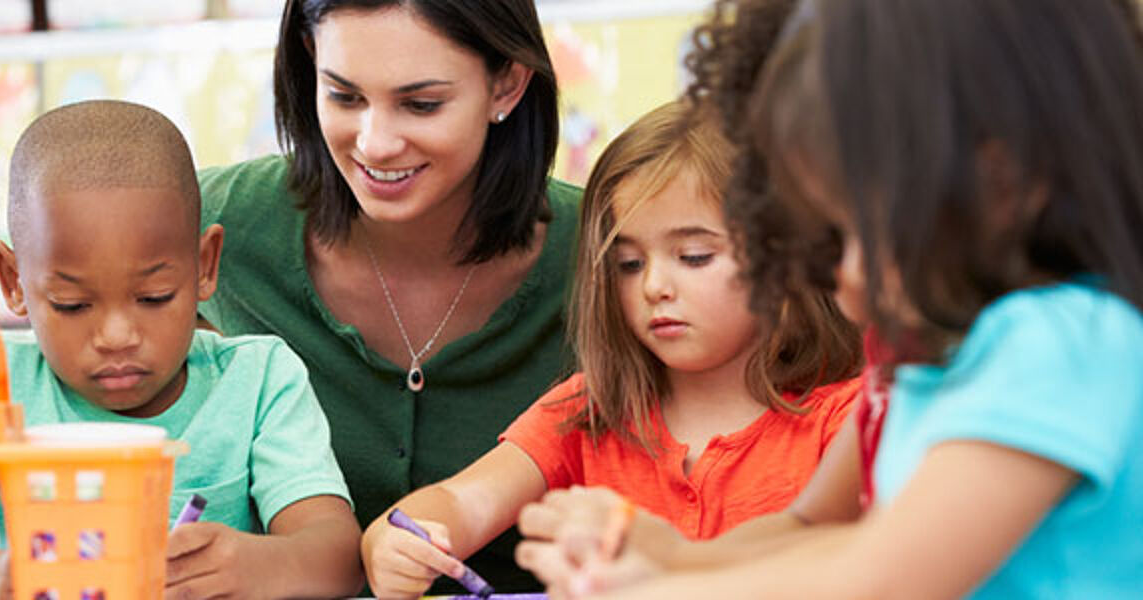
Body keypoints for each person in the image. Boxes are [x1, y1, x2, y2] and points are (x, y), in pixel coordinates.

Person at [531, 0, 1143, 597]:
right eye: (825, 238)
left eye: (860, 235)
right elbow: (815, 525)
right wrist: (668, 557)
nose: (843, 283)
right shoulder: (916, 353)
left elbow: (885, 576)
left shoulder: (1063, 342)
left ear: (1001, 182)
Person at [359, 100, 863, 598]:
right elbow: (461, 503)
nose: (654, 287)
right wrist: (397, 543)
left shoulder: (849, 420)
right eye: (628, 264)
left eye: (693, 256)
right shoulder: (589, 410)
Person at [0, 100, 362, 599]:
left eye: (154, 298)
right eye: (72, 304)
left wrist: (262, 566)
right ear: (13, 280)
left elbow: (339, 556)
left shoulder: (259, 381)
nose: (117, 336)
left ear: (205, 265)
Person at [196, 0, 579, 590]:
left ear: (507, 84)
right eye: (344, 96)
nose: (374, 144)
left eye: (421, 104)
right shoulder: (214, 224)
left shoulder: (613, 251)